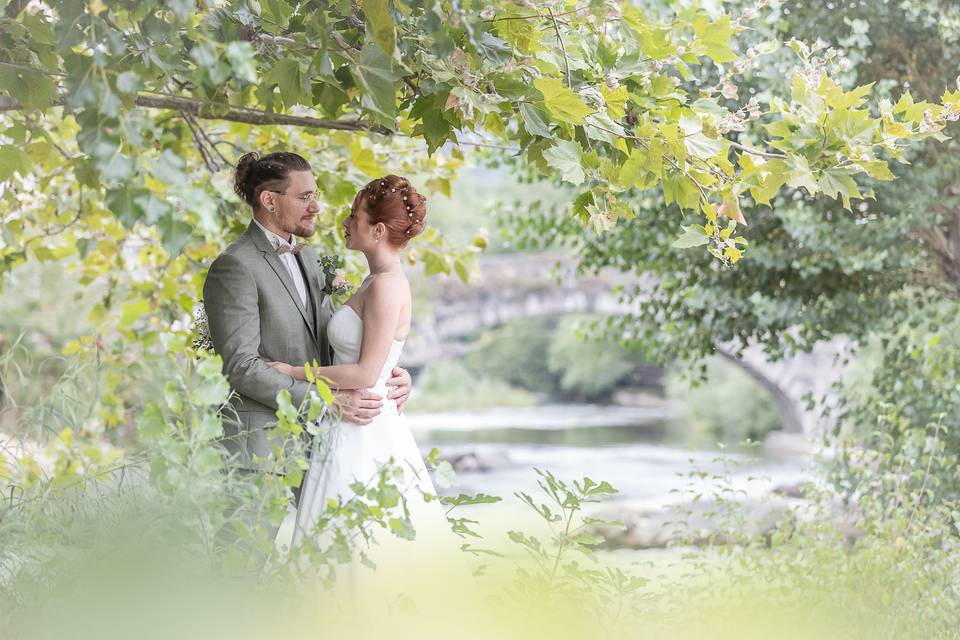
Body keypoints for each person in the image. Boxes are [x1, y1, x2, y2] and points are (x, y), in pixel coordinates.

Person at [202, 152, 413, 546]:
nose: (316, 206)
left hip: (327, 446)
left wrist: (391, 372)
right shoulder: (235, 266)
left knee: (328, 565)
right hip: (263, 449)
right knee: (239, 570)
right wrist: (323, 399)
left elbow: (338, 345)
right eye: (305, 197)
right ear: (270, 200)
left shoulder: (310, 259)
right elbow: (243, 367)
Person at [267, 175, 453, 588]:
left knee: (361, 550)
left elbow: (368, 373)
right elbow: (378, 361)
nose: (346, 223)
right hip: (348, 422)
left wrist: (296, 373)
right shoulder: (373, 281)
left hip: (364, 428)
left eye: (355, 216)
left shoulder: (387, 286)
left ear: (378, 230)